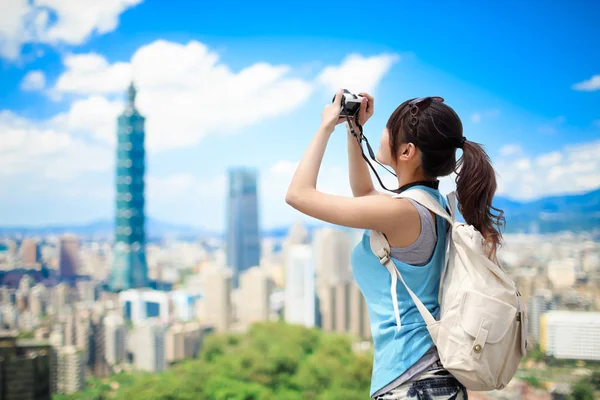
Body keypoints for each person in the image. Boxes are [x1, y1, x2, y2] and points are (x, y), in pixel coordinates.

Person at [285, 90, 505, 399]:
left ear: (407, 152)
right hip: (433, 378)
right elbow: (363, 194)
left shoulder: (403, 212)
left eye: (389, 128)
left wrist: (325, 125)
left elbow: (298, 194)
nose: (383, 132)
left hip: (410, 382)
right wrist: (353, 131)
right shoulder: (432, 205)